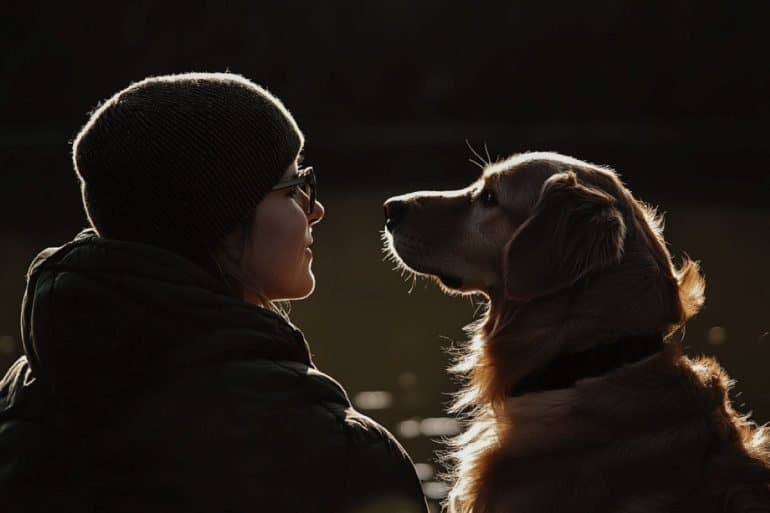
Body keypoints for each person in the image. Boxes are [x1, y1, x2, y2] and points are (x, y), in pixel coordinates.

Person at [0, 73, 427, 513]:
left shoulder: (23, 400)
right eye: (292, 187)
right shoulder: (339, 457)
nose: (314, 208)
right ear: (221, 226)